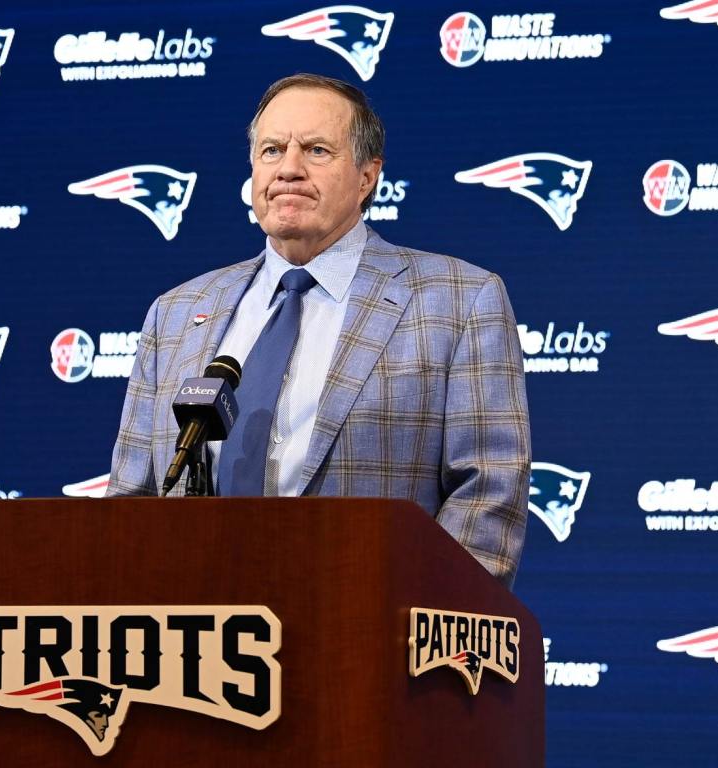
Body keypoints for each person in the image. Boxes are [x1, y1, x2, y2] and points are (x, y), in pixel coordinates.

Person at [107, 73, 531, 587]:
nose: (288, 169)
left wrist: (408, 623)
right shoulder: (176, 312)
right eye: (271, 150)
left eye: (316, 150)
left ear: (367, 177)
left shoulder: (459, 300)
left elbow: (487, 492)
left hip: (368, 634)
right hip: (202, 638)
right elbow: (131, 502)